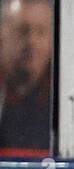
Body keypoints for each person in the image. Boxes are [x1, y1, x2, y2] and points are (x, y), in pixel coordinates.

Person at [0, 0, 52, 155]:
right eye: (22, 31)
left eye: (41, 32)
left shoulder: (65, 99)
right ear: (2, 36)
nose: (32, 42)